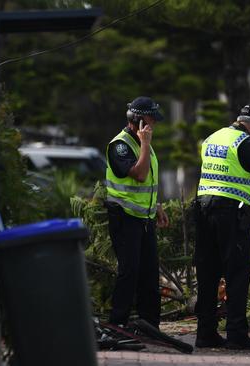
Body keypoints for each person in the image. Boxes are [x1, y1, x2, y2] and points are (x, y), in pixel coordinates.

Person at [194, 103, 250, 349]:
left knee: (207, 274)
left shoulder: (214, 137)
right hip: (230, 213)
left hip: (203, 208)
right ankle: (236, 336)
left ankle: (205, 334)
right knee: (237, 274)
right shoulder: (244, 142)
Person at [105, 96, 169, 329]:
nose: (155, 124)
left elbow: (147, 183)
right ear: (139, 120)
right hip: (124, 217)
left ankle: (150, 324)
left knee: (150, 274)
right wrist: (144, 143)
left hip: (145, 218)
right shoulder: (120, 145)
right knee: (129, 272)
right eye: (152, 119)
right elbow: (139, 175)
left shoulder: (145, 144)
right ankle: (117, 323)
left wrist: (157, 205)